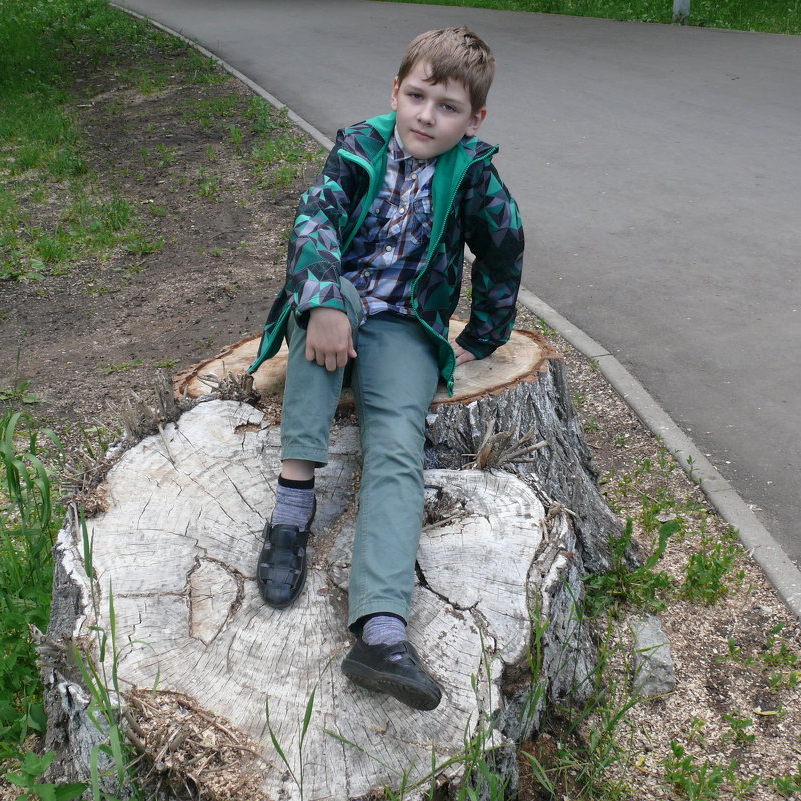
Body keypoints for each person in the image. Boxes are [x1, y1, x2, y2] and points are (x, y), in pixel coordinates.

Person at [248, 26, 523, 711]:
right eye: (418, 95)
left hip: (402, 321)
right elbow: (314, 222)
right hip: (335, 300)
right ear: (395, 91)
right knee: (322, 323)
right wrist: (322, 300)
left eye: (448, 106)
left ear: (475, 118)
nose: (428, 116)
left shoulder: (473, 176)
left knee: (398, 443)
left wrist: (484, 333)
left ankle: (381, 629)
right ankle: (292, 508)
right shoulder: (358, 149)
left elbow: (505, 245)